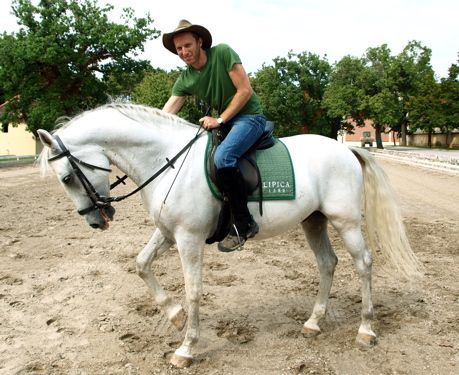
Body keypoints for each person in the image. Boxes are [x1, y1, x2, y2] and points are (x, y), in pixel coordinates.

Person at [162, 20, 266, 252]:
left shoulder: (223, 53)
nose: (184, 52)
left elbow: (245, 90)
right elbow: (167, 112)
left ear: (200, 42)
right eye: (179, 49)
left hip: (250, 118)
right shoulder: (186, 78)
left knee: (223, 158)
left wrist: (219, 120)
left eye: (188, 45)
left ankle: (244, 223)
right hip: (228, 123)